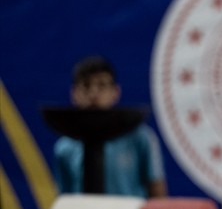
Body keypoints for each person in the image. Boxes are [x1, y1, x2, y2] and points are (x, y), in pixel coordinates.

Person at [53, 56, 167, 198]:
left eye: (102, 85)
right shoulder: (64, 147)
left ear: (115, 92)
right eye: (86, 86)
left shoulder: (141, 137)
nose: (93, 94)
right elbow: (66, 198)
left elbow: (157, 191)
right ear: (74, 94)